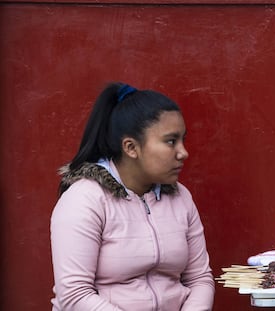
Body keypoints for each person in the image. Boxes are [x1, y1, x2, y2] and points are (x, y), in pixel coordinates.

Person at [50, 82, 215, 311]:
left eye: (182, 140)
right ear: (130, 147)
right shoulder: (84, 200)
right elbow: (74, 294)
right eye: (170, 141)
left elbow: (199, 279)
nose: (183, 152)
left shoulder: (180, 197)